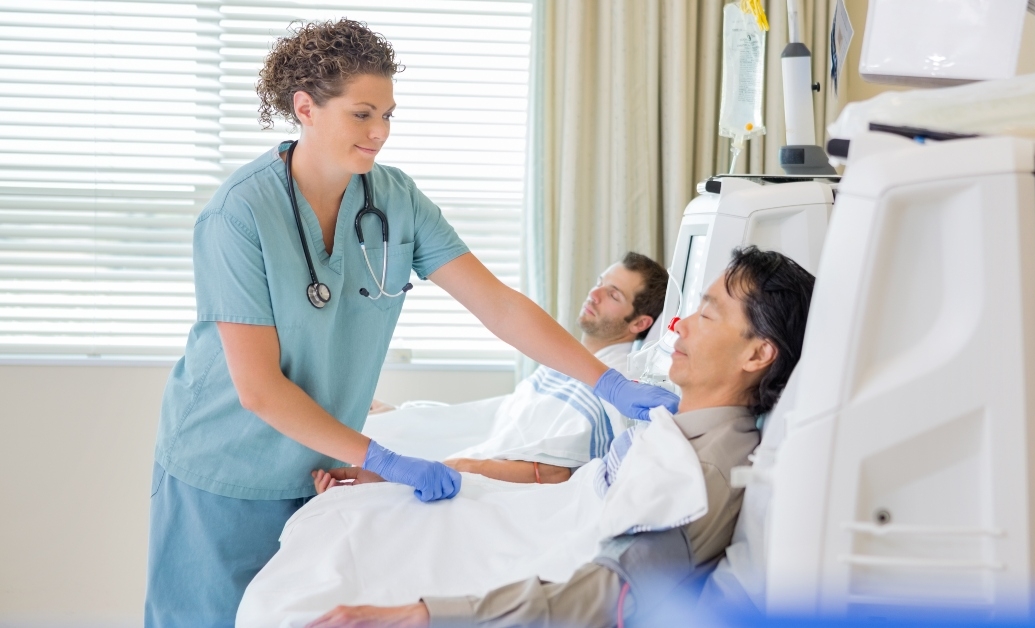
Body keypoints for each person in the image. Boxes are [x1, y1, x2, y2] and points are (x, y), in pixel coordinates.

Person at [145, 19, 676, 627]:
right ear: (305, 108)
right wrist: (386, 458)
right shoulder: (239, 216)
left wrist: (605, 381)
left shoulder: (394, 200)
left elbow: (497, 304)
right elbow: (258, 389)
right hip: (224, 466)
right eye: (363, 114)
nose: (380, 134)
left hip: (317, 463)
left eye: (389, 115)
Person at [304, 247, 817, 627]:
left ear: (757, 356)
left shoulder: (696, 476)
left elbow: (601, 596)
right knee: (349, 521)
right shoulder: (674, 430)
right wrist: (400, 478)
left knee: (325, 571)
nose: (678, 326)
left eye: (706, 314)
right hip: (528, 522)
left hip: (532, 558)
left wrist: (422, 615)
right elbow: (575, 492)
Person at [352, 251, 669, 485]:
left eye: (613, 295)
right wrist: (411, 413)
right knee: (372, 425)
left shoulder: (617, 386)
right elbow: (506, 415)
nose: (595, 294)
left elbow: (554, 470)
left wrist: (457, 465)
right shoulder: (564, 359)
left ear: (640, 323)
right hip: (479, 441)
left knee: (357, 467)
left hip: (480, 466)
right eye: (601, 283)